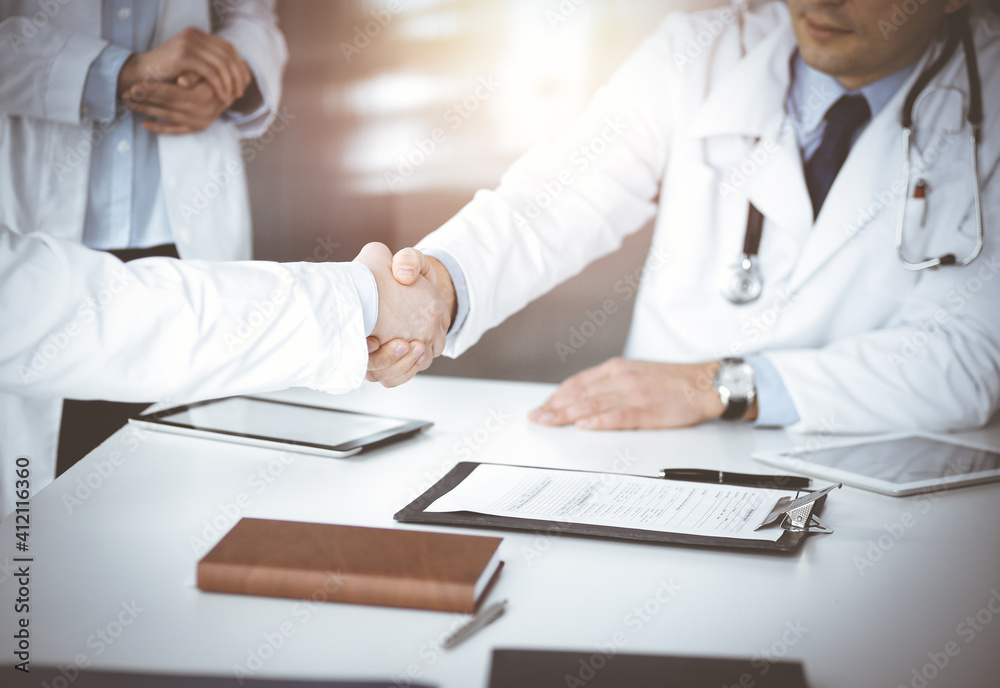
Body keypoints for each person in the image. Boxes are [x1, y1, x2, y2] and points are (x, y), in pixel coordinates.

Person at [371, 0, 1000, 434]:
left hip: (872, 478)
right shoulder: (696, 54)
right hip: (655, 459)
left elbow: (970, 361)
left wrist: (716, 386)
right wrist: (440, 287)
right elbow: (554, 199)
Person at [0, 0, 288, 474]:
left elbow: (252, 16)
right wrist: (115, 74)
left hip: (186, 237)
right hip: (52, 241)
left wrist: (228, 75)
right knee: (48, 494)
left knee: (189, 480)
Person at [0, 226, 446, 517]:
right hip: (152, 320)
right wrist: (363, 300)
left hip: (191, 293)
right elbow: (66, 313)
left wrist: (405, 293)